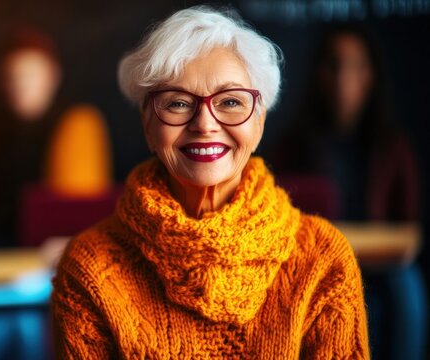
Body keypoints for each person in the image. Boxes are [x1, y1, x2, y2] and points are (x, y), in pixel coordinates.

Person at [51, 7, 369, 359]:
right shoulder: (89, 268)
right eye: (177, 103)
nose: (205, 123)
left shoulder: (324, 260)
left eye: (230, 101)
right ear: (147, 123)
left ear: (259, 120)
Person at [273, 25, 424, 360]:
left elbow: (407, 231)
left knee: (406, 283)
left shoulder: (394, 148)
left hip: (380, 266)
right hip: (317, 263)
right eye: (334, 65)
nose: (344, 77)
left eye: (356, 65)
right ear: (319, 75)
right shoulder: (294, 145)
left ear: (371, 75)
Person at [0, 27, 111, 246]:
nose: (21, 85)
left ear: (53, 76)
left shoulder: (77, 124)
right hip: (2, 255)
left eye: (31, 75)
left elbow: (75, 212)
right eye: (13, 76)